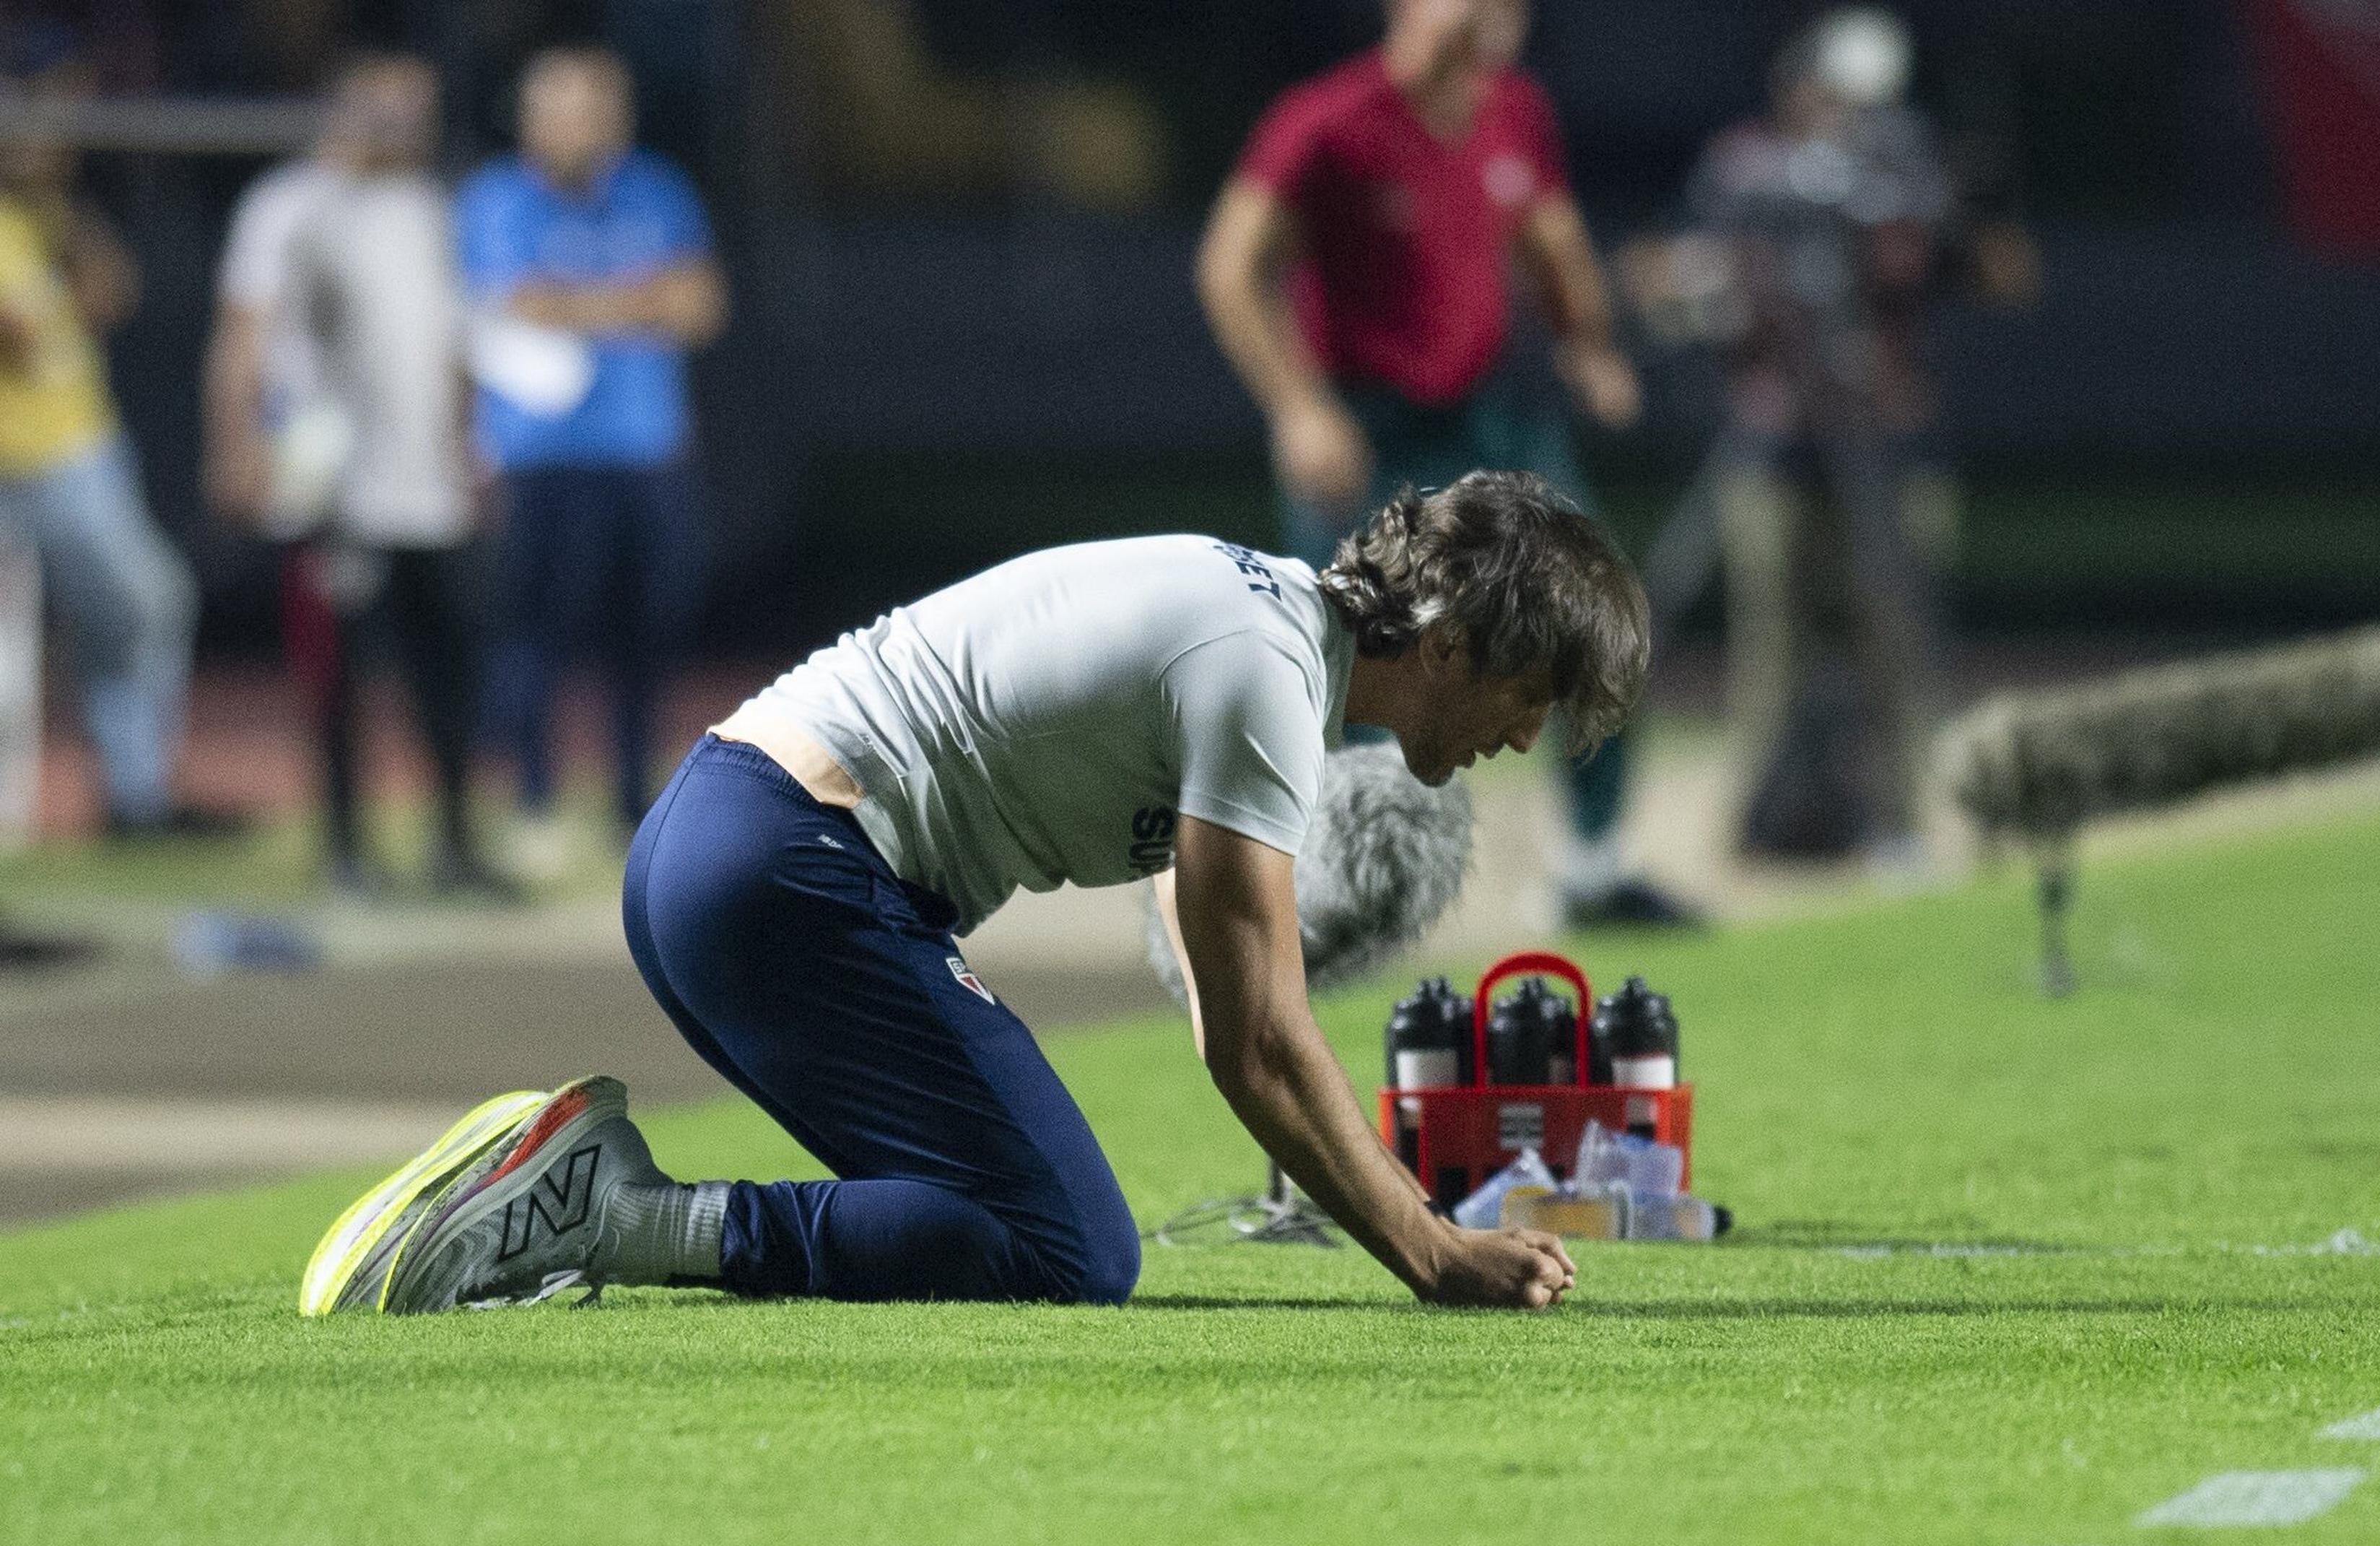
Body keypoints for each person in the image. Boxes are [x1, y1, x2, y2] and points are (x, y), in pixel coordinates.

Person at [303, 470, 1629, 1316]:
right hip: (786, 870)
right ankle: (609, 1214)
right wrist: (1431, 1251)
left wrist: (1275, 1069)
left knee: (999, 1219)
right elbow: (1260, 1041)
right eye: (1534, 696)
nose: (1527, 736)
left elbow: (1217, 964)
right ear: (1451, 643)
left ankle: (594, 1203)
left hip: (723, 848)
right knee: (1068, 1251)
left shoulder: (1267, 625)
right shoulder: (1269, 674)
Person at [1196, 0, 1693, 929]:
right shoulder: (1327, 121)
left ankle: (1592, 868)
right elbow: (1230, 266)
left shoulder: (1513, 109)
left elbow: (1550, 235)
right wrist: (1299, 408)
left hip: (1489, 423)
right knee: (1346, 659)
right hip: (1370, 430)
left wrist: (1588, 342)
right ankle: (1343, 892)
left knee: (1597, 611)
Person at [1629, 9, 2037, 860]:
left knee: (1895, 637)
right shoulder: (1747, 169)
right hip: (1773, 438)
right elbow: (1656, 271)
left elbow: (2006, 278)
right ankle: (1754, 826)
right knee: (1770, 652)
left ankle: (1900, 825)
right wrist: (1714, 283)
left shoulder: (1909, 176)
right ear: (1799, 87)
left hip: (1890, 439)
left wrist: (1967, 206)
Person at [206, 53, 505, 898]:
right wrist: (236, 445)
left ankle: (455, 843)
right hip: (336, 482)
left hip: (431, 482)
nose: (406, 126)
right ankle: (346, 847)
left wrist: (474, 446)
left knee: (447, 667)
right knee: (337, 674)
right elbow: (243, 336)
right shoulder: (292, 206)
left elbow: (456, 341)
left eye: (419, 110)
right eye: (387, 108)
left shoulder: (433, 207)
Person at [456, 45, 724, 880]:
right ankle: (532, 800)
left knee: (645, 639)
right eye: (566, 108)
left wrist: (580, 303)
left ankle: (634, 805)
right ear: (532, 119)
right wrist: (635, 300)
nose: (586, 126)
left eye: (600, 107)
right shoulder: (496, 197)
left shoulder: (658, 189)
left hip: (644, 452)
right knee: (535, 638)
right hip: (542, 456)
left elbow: (700, 306)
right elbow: (516, 302)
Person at [0, 58, 234, 841]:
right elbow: (19, 336)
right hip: (21, 459)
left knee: (145, 607)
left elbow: (113, 292)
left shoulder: (46, 219)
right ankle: (105, 797)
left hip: (79, 448)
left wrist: (55, 203)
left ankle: (138, 792)